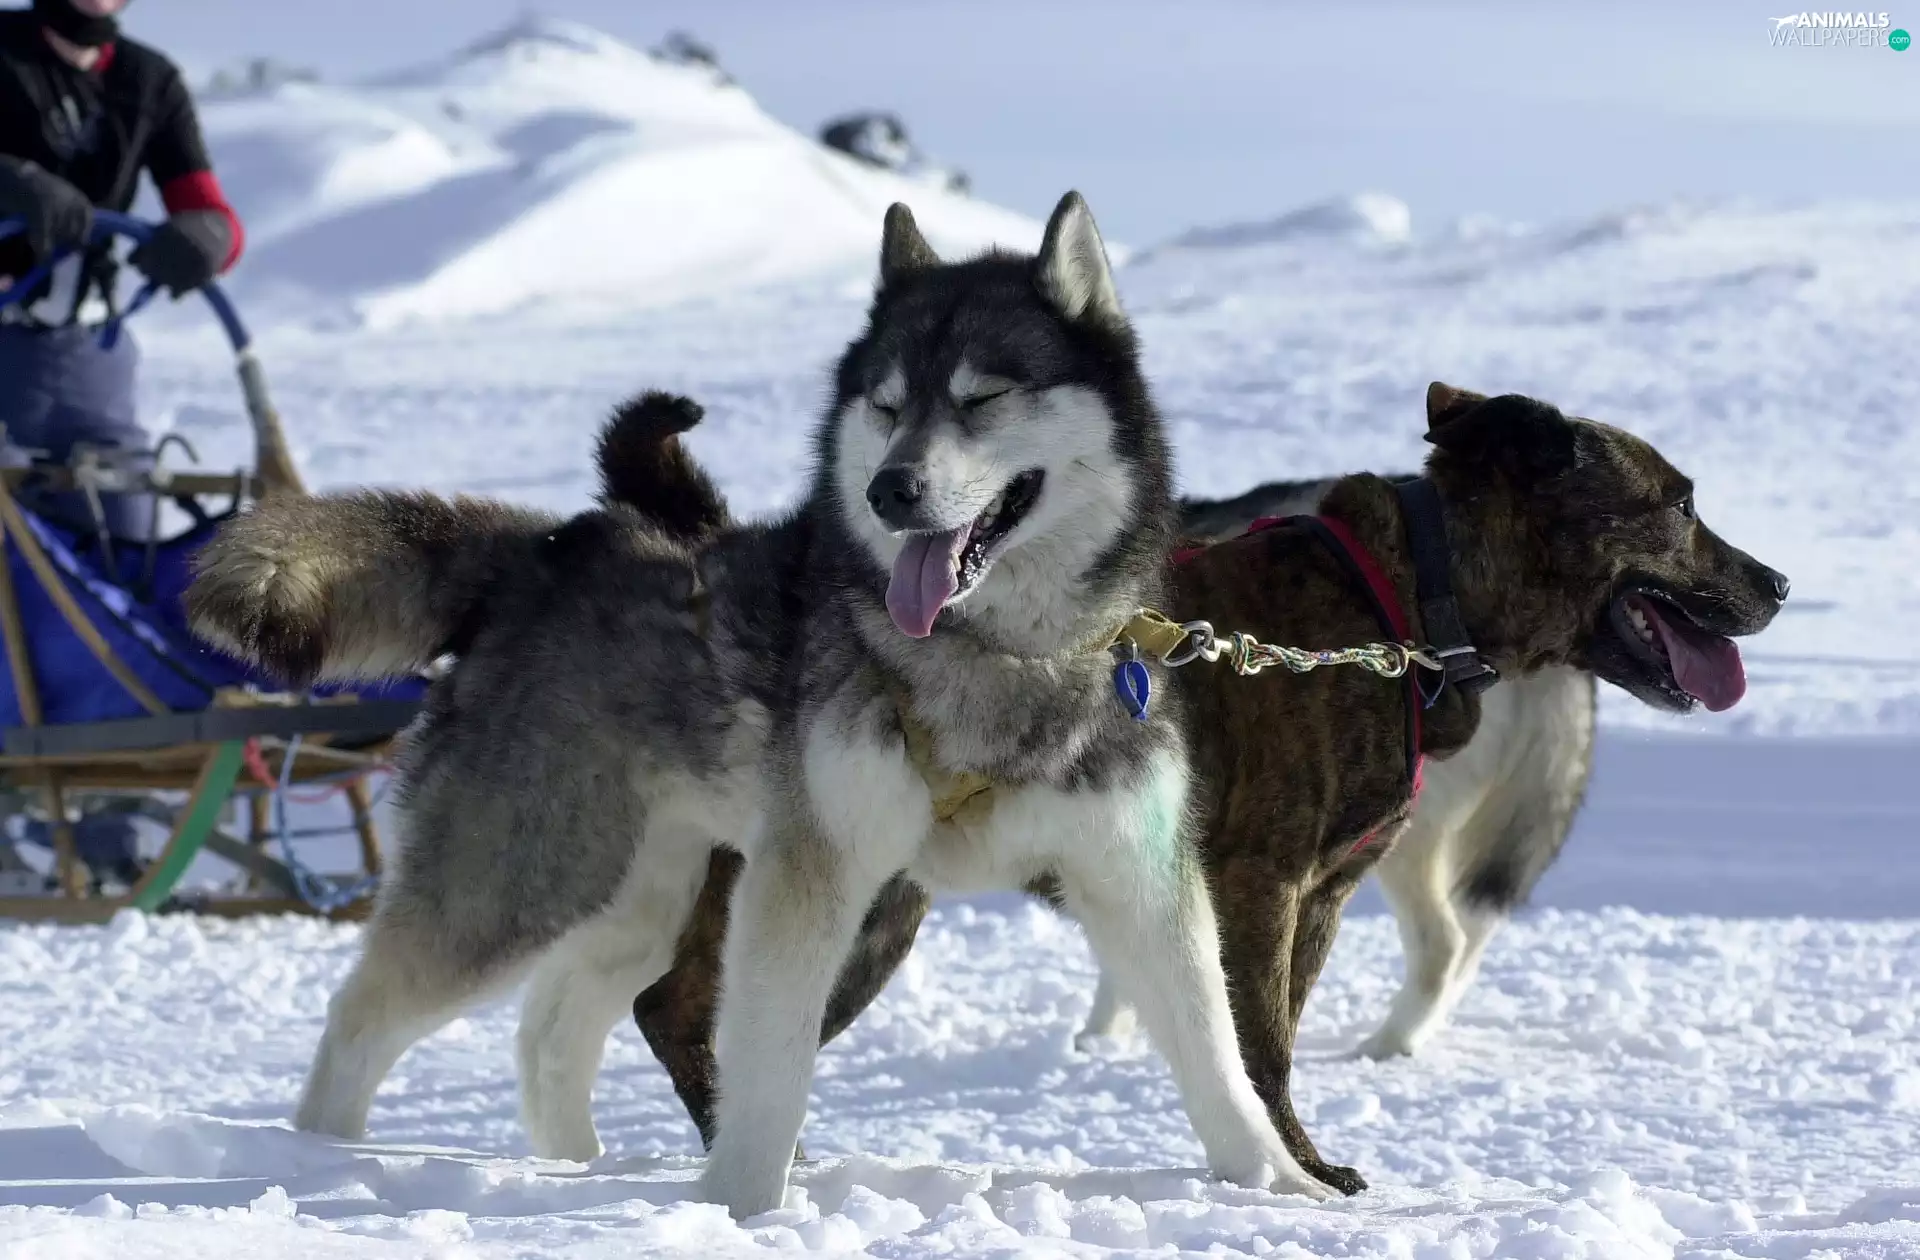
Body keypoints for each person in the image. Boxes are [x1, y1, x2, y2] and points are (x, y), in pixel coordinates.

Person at [1, 0, 246, 886]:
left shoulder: (147, 81)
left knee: (119, 557)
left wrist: (205, 241)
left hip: (88, 357)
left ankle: (115, 815)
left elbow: (209, 209)